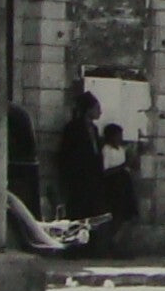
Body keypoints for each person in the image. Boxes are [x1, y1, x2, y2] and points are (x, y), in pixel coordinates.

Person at [56, 89, 104, 221]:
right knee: (78, 212)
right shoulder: (73, 128)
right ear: (88, 109)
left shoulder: (94, 129)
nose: (100, 112)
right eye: (96, 108)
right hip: (78, 178)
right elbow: (65, 154)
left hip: (92, 178)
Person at [100, 122, 139, 257]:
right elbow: (106, 171)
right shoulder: (107, 150)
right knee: (116, 215)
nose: (120, 138)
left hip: (124, 184)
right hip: (113, 185)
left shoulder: (121, 150)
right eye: (117, 135)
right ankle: (112, 245)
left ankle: (117, 243)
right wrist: (123, 166)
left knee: (128, 216)